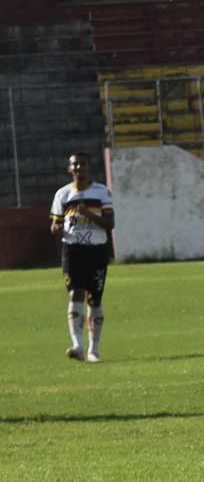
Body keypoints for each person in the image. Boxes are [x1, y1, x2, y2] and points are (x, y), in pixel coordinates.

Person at [49, 152, 114, 362]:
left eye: (82, 164)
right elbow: (55, 223)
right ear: (70, 169)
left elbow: (110, 224)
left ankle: (94, 350)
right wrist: (56, 227)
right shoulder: (63, 195)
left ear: (88, 167)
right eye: (75, 165)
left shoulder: (102, 192)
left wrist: (89, 214)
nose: (79, 168)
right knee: (74, 294)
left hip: (96, 251)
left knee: (94, 299)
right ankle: (77, 345)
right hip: (72, 250)